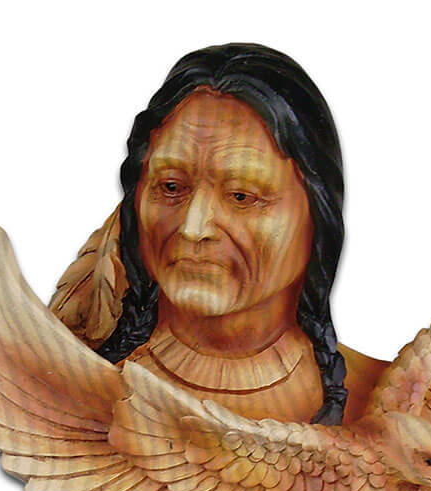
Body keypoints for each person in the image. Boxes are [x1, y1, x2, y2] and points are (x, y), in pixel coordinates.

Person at [51, 43, 386, 428]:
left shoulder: (388, 410)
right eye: (171, 187)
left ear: (318, 213)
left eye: (242, 196)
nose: (194, 228)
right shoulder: (74, 396)